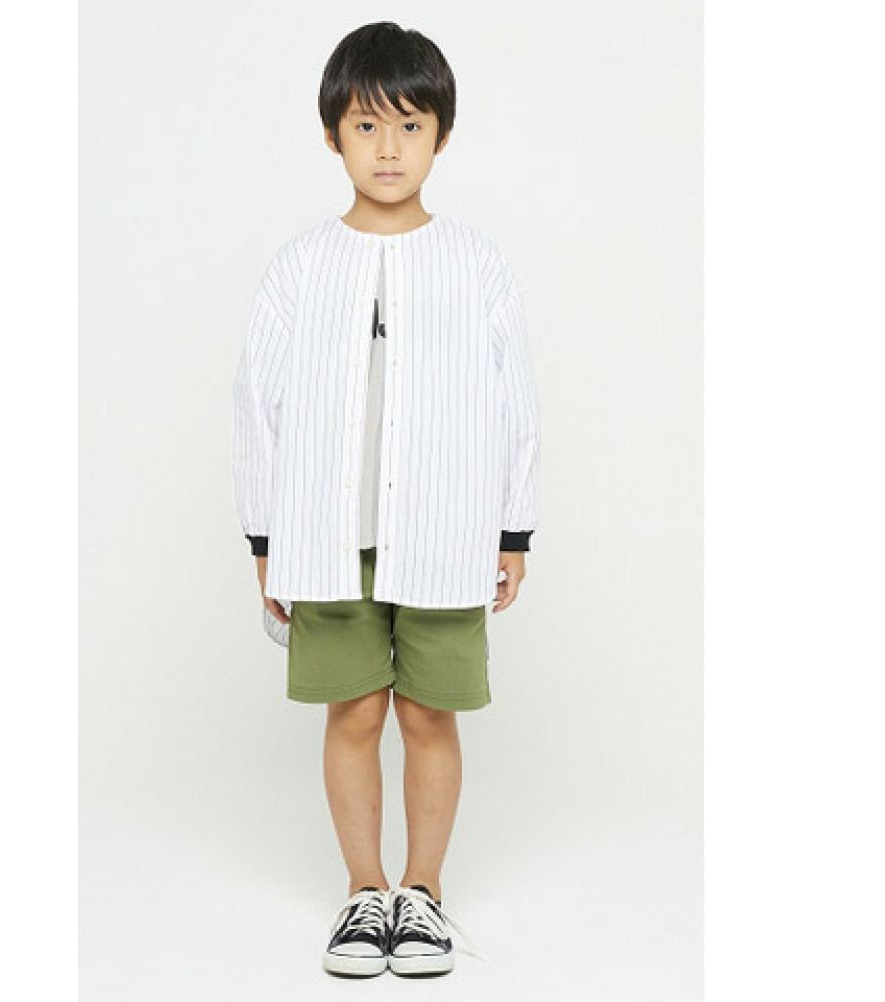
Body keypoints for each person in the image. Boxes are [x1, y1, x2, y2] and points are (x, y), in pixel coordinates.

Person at [232, 21, 542, 978]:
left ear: (442, 134)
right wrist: (266, 537)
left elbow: (515, 396)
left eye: (410, 125)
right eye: (367, 126)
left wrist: (513, 526)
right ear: (332, 134)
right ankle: (364, 892)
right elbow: (256, 400)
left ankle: (424, 893)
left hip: (445, 530)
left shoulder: (475, 263)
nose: (389, 148)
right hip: (328, 536)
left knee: (429, 716)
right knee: (356, 712)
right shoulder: (300, 266)